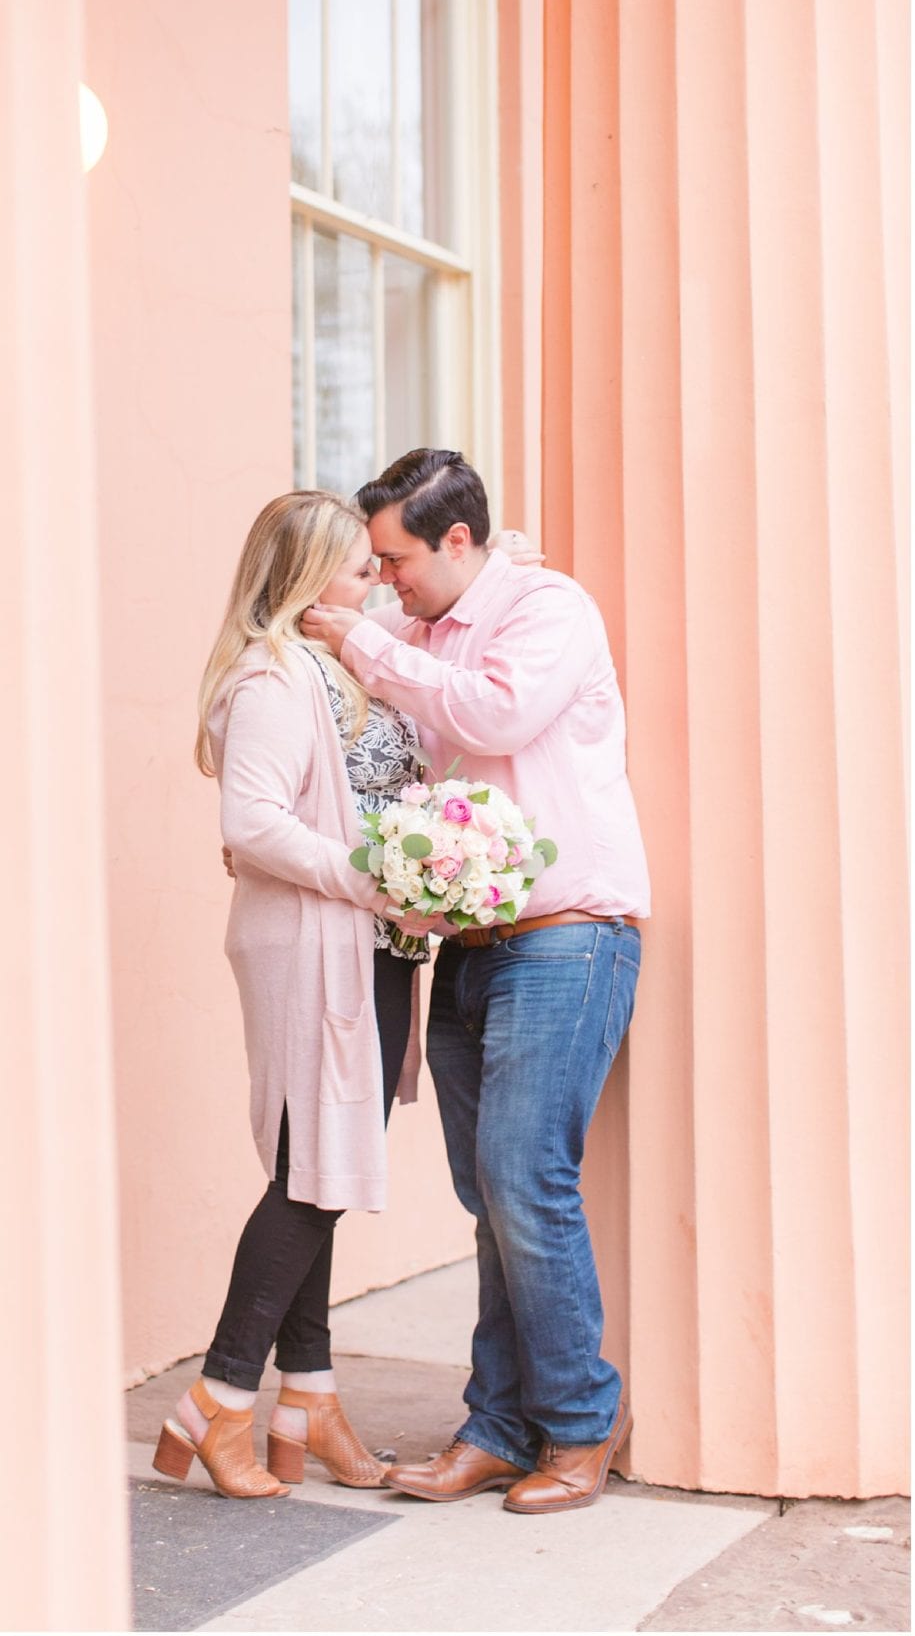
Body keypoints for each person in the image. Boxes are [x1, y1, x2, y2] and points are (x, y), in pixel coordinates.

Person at [301, 448, 650, 1516]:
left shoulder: (548, 609)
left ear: (458, 540)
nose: (388, 578)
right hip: (467, 946)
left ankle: (579, 1428)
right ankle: (496, 1426)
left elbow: (492, 715)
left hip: (566, 935)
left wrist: (363, 637)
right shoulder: (419, 625)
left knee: (525, 1182)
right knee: (488, 1200)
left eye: (398, 558)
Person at [153, 489, 428, 1500]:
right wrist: (377, 877)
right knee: (314, 1171)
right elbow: (257, 823)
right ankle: (220, 1399)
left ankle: (305, 1396)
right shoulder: (274, 677)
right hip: (320, 939)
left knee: (324, 1160)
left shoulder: (332, 661)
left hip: (367, 942)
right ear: (309, 576)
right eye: (360, 566)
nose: (375, 583)